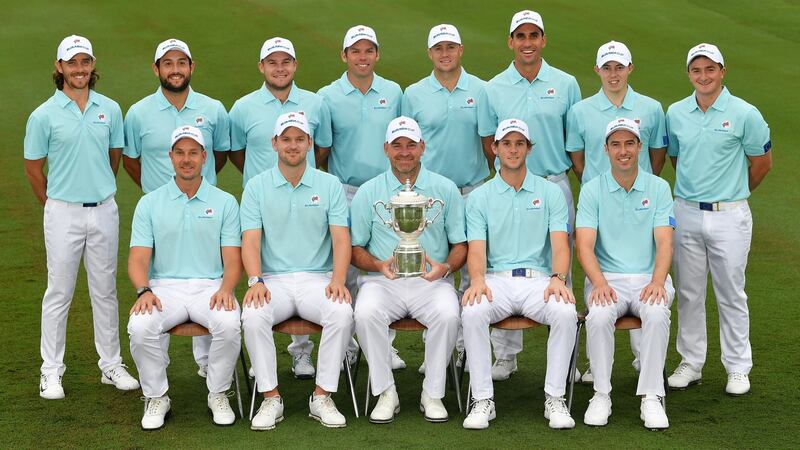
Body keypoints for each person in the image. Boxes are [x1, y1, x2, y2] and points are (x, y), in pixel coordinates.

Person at [24, 35, 139, 400]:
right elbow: (32, 168)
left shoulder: (110, 108)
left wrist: (97, 189)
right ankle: (51, 372)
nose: (79, 69)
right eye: (72, 63)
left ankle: (111, 365)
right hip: (62, 213)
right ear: (60, 67)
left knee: (105, 291)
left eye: (85, 62)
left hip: (104, 210)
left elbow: (114, 156)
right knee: (59, 292)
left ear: (92, 66)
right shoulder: (43, 115)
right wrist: (55, 203)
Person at [476, 9, 581, 382]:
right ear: (510, 42)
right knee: (502, 262)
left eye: (533, 35)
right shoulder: (492, 88)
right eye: (520, 36)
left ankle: (567, 359)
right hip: (507, 186)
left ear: (543, 40)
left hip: (553, 182)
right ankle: (505, 355)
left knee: (559, 266)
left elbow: (575, 139)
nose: (527, 43)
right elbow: (489, 138)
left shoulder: (566, 84)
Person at [666, 43, 772, 396]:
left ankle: (738, 367)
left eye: (710, 69)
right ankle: (692, 362)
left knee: (730, 292)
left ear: (722, 71)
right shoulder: (676, 112)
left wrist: (735, 191)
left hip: (730, 215)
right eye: (696, 70)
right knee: (689, 292)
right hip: (687, 211)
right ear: (689, 74)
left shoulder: (745, 113)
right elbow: (678, 159)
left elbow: (762, 163)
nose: (704, 76)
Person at [123, 38, 231, 375]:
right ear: (157, 69)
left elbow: (223, 154)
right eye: (167, 63)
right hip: (158, 211)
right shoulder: (139, 112)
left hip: (203, 205)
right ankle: (158, 366)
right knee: (158, 281)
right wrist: (157, 193)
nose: (175, 69)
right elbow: (130, 159)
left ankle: (207, 364)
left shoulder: (212, 108)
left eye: (181, 63)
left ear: (191, 67)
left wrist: (197, 183)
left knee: (206, 275)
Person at [461, 119, 577, 430]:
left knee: (565, 312)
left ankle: (555, 398)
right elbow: (476, 248)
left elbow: (560, 244)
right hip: (495, 279)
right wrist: (478, 280)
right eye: (507, 144)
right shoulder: (480, 197)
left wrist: (558, 277)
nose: (513, 150)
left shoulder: (550, 193)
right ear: (494, 148)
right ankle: (482, 399)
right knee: (472, 312)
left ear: (528, 149)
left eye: (519, 144)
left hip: (538, 280)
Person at [229, 36, 334, 379]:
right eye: (272, 62)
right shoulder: (243, 107)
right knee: (270, 272)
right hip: (263, 201)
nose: (279, 68)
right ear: (261, 67)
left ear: (295, 65)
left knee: (305, 268)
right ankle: (267, 366)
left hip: (305, 195)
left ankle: (301, 354)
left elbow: (321, 151)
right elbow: (234, 151)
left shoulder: (316, 103)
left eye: (285, 61)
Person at [241, 113, 353, 430]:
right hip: (272, 280)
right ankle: (270, 398)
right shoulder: (256, 186)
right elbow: (250, 239)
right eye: (286, 139)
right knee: (252, 315)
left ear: (308, 143)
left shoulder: (329, 185)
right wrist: (255, 280)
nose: (293, 145)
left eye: (299, 139)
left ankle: (322, 396)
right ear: (275, 143)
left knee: (342, 313)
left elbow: (340, 238)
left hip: (317, 278)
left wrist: (339, 280)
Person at [352, 117, 466, 424]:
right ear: (386, 149)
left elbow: (460, 244)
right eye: (398, 145)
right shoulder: (368, 192)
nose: (405, 152)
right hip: (382, 281)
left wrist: (446, 268)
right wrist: (376, 264)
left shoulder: (445, 188)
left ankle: (433, 393)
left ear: (422, 148)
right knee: (364, 313)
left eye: (411, 145)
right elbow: (355, 249)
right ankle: (386, 392)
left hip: (432, 281)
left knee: (448, 313)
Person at [566, 40, 667, 384]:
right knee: (602, 277)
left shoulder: (652, 108)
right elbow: (578, 160)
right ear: (597, 70)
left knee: (646, 274)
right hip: (599, 200)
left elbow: (657, 156)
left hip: (640, 198)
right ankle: (599, 370)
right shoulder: (581, 111)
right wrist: (599, 186)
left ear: (630, 68)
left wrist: (637, 180)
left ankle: (646, 363)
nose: (613, 74)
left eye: (619, 67)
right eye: (607, 67)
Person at [127, 126, 242, 430]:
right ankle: (156, 396)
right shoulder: (149, 203)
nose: (186, 159)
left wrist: (227, 288)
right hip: (165, 287)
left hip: (211, 286)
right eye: (180, 152)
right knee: (139, 326)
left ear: (205, 157)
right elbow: (138, 258)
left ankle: (217, 392)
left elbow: (232, 259)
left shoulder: (225, 202)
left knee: (230, 324)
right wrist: (144, 291)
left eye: (193, 152)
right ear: (170, 156)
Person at [576, 118, 674, 430]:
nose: (623, 151)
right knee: (600, 317)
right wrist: (599, 282)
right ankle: (601, 393)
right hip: (608, 279)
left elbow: (664, 242)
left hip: (649, 277)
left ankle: (651, 396)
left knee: (657, 314)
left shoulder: (659, 188)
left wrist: (658, 281)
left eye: (629, 143)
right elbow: (585, 246)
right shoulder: (592, 190)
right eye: (616, 144)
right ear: (605, 149)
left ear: (639, 147)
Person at [317, 25, 406, 369]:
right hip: (346, 191)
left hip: (386, 190)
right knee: (347, 269)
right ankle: (349, 343)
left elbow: (401, 142)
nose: (363, 57)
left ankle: (384, 345)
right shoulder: (328, 96)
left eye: (369, 50)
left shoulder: (394, 92)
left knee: (387, 265)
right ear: (344, 55)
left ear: (377, 54)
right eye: (356, 51)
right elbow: (323, 148)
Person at [402, 23, 488, 375]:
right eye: (438, 48)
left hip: (473, 189)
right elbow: (406, 146)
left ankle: (468, 348)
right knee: (434, 270)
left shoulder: (481, 90)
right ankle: (436, 350)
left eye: (450, 47)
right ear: (430, 53)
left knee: (472, 271)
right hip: (430, 196)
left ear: (461, 49)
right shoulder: (414, 93)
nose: (445, 53)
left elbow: (488, 142)